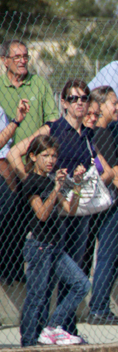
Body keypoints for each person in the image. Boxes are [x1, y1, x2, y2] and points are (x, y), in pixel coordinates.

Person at [8, 79, 118, 339]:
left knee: (75, 275)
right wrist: (34, 184)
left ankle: (63, 329)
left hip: (75, 211)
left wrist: (84, 183)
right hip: (51, 215)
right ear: (64, 103)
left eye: (84, 98)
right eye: (73, 98)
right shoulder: (54, 128)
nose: (79, 103)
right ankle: (36, 334)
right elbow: (15, 153)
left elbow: (107, 171)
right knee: (45, 281)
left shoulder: (88, 135)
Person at [18, 135, 91, 347]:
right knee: (37, 296)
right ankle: (28, 342)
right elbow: (41, 213)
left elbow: (71, 209)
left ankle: (52, 328)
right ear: (33, 156)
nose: (51, 160)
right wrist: (57, 189)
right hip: (39, 245)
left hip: (55, 247)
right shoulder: (31, 182)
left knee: (81, 284)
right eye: (45, 155)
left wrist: (77, 185)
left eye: (53, 156)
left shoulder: (50, 181)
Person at [0, 39, 59, 285]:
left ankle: (19, 271)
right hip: (7, 165)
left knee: (28, 220)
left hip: (35, 165)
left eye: (25, 56)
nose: (23, 61)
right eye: (17, 57)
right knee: (9, 215)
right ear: (4, 61)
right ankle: (7, 270)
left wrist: (30, 147)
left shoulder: (39, 84)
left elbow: (53, 120)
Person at [83, 87, 118, 325]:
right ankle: (98, 308)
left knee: (114, 256)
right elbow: (115, 172)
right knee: (109, 256)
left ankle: (100, 305)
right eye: (113, 103)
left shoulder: (104, 133)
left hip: (108, 206)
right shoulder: (101, 134)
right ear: (100, 107)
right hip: (111, 206)